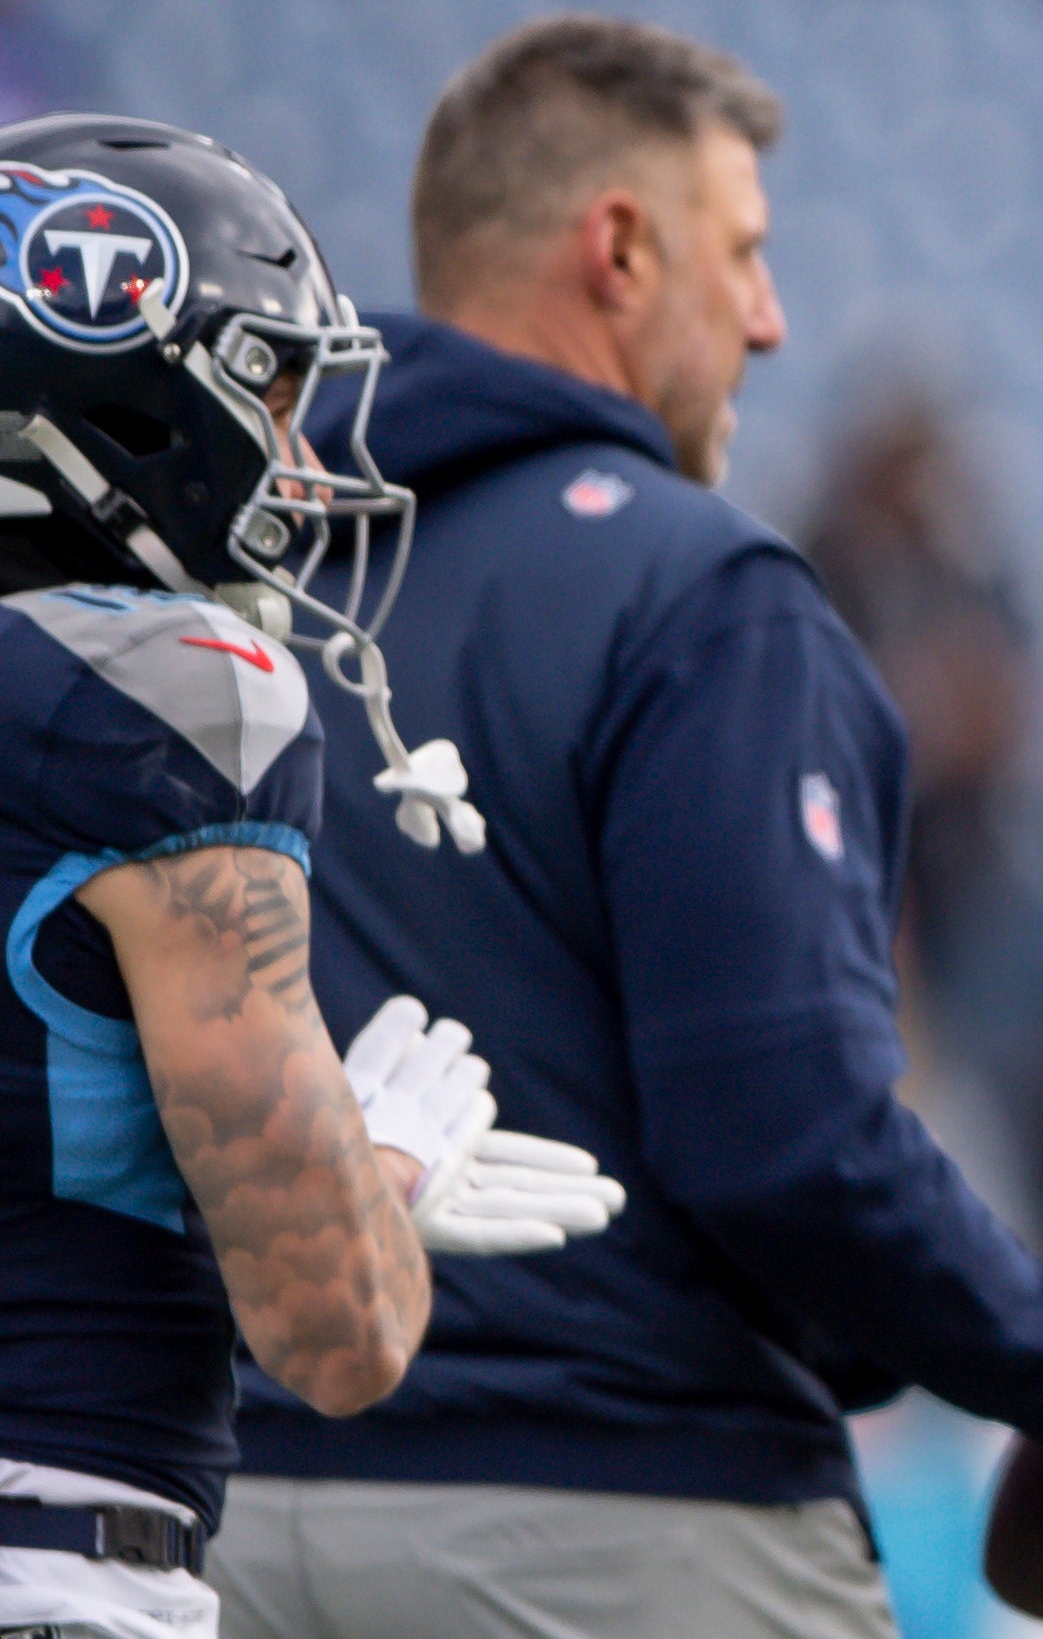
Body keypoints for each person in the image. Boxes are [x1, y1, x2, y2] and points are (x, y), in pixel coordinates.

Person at [204, 19, 1043, 1639]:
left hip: (205, 1510)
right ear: (619, 250)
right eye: (743, 255)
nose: (769, 321)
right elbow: (787, 1142)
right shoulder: (702, 596)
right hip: (615, 1516)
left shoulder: (211, 598)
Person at [0, 113, 618, 1639]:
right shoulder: (174, 693)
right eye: (267, 395)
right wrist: (377, 1171)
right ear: (120, 389)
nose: (299, 457)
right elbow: (336, 1330)